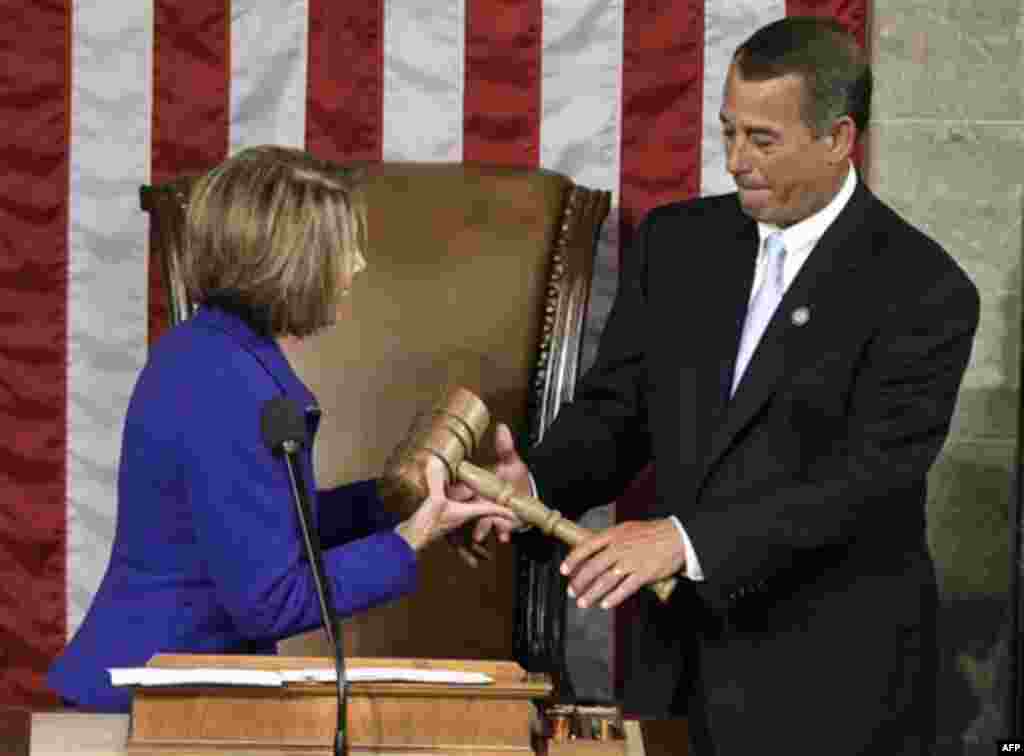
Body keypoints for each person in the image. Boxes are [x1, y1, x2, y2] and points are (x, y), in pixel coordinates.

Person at [458, 17, 980, 755]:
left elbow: (865, 483)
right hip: (676, 671)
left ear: (838, 138)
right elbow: (617, 411)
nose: (736, 161)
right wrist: (536, 484)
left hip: (833, 684)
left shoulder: (923, 290)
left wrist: (685, 540)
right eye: (728, 131)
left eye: (762, 140)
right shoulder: (679, 245)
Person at [47, 146, 514, 713]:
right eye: (344, 247)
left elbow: (263, 524)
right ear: (289, 258)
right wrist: (406, 543)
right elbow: (267, 600)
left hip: (173, 700)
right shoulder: (229, 382)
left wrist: (400, 500)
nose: (360, 266)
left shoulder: (211, 354)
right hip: (145, 711)